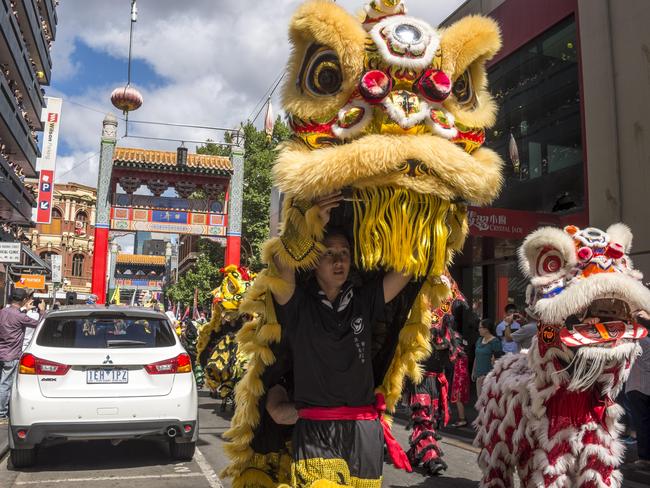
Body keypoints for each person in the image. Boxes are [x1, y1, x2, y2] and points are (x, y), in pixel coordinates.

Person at [269, 192, 413, 486]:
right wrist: (308, 226)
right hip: (316, 430)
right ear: (314, 262)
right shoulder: (299, 305)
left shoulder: (364, 300)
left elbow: (406, 270)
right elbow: (282, 267)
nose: (338, 260)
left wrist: (414, 217)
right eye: (328, 253)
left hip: (364, 432)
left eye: (344, 253)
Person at [0, 289, 44, 423]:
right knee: (5, 384)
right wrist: (41, 311)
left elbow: (15, 316)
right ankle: (1, 414)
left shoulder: (2, 312)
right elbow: (39, 324)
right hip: (11, 355)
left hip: (2, 353)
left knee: (2, 382)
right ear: (24, 299)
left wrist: (24, 309)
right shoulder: (20, 316)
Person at [626, 310, 650, 467]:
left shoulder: (635, 342)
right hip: (645, 385)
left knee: (642, 423)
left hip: (637, 387)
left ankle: (645, 458)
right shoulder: (646, 341)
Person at [472, 319, 503, 396]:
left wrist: (489, 375)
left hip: (488, 377)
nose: (478, 329)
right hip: (478, 376)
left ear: (486, 329)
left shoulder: (495, 342)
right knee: (479, 401)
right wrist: (473, 371)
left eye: (480, 327)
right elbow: (476, 356)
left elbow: (499, 360)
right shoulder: (479, 340)